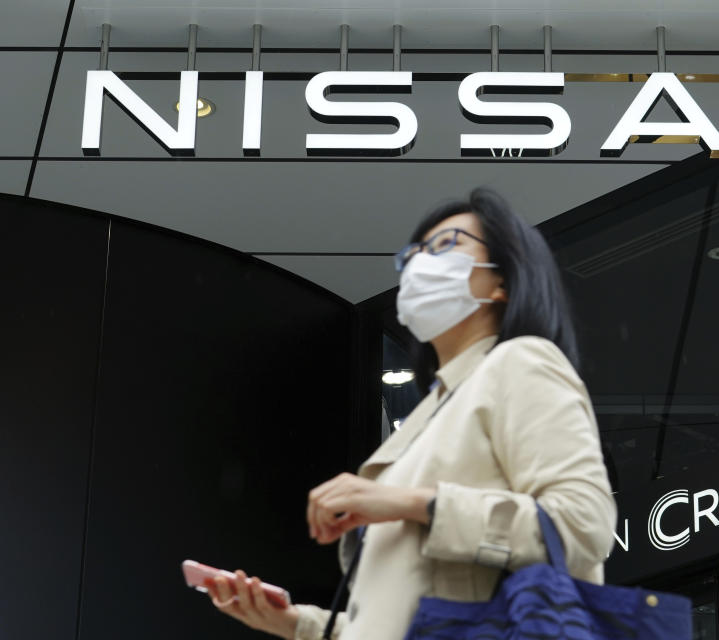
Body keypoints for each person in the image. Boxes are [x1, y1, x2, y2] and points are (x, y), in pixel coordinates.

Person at [204, 188, 617, 640]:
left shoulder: (520, 363)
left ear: (503, 280)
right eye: (414, 254)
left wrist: (410, 502)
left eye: (446, 245)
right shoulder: (433, 414)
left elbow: (582, 525)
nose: (421, 264)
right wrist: (295, 622)